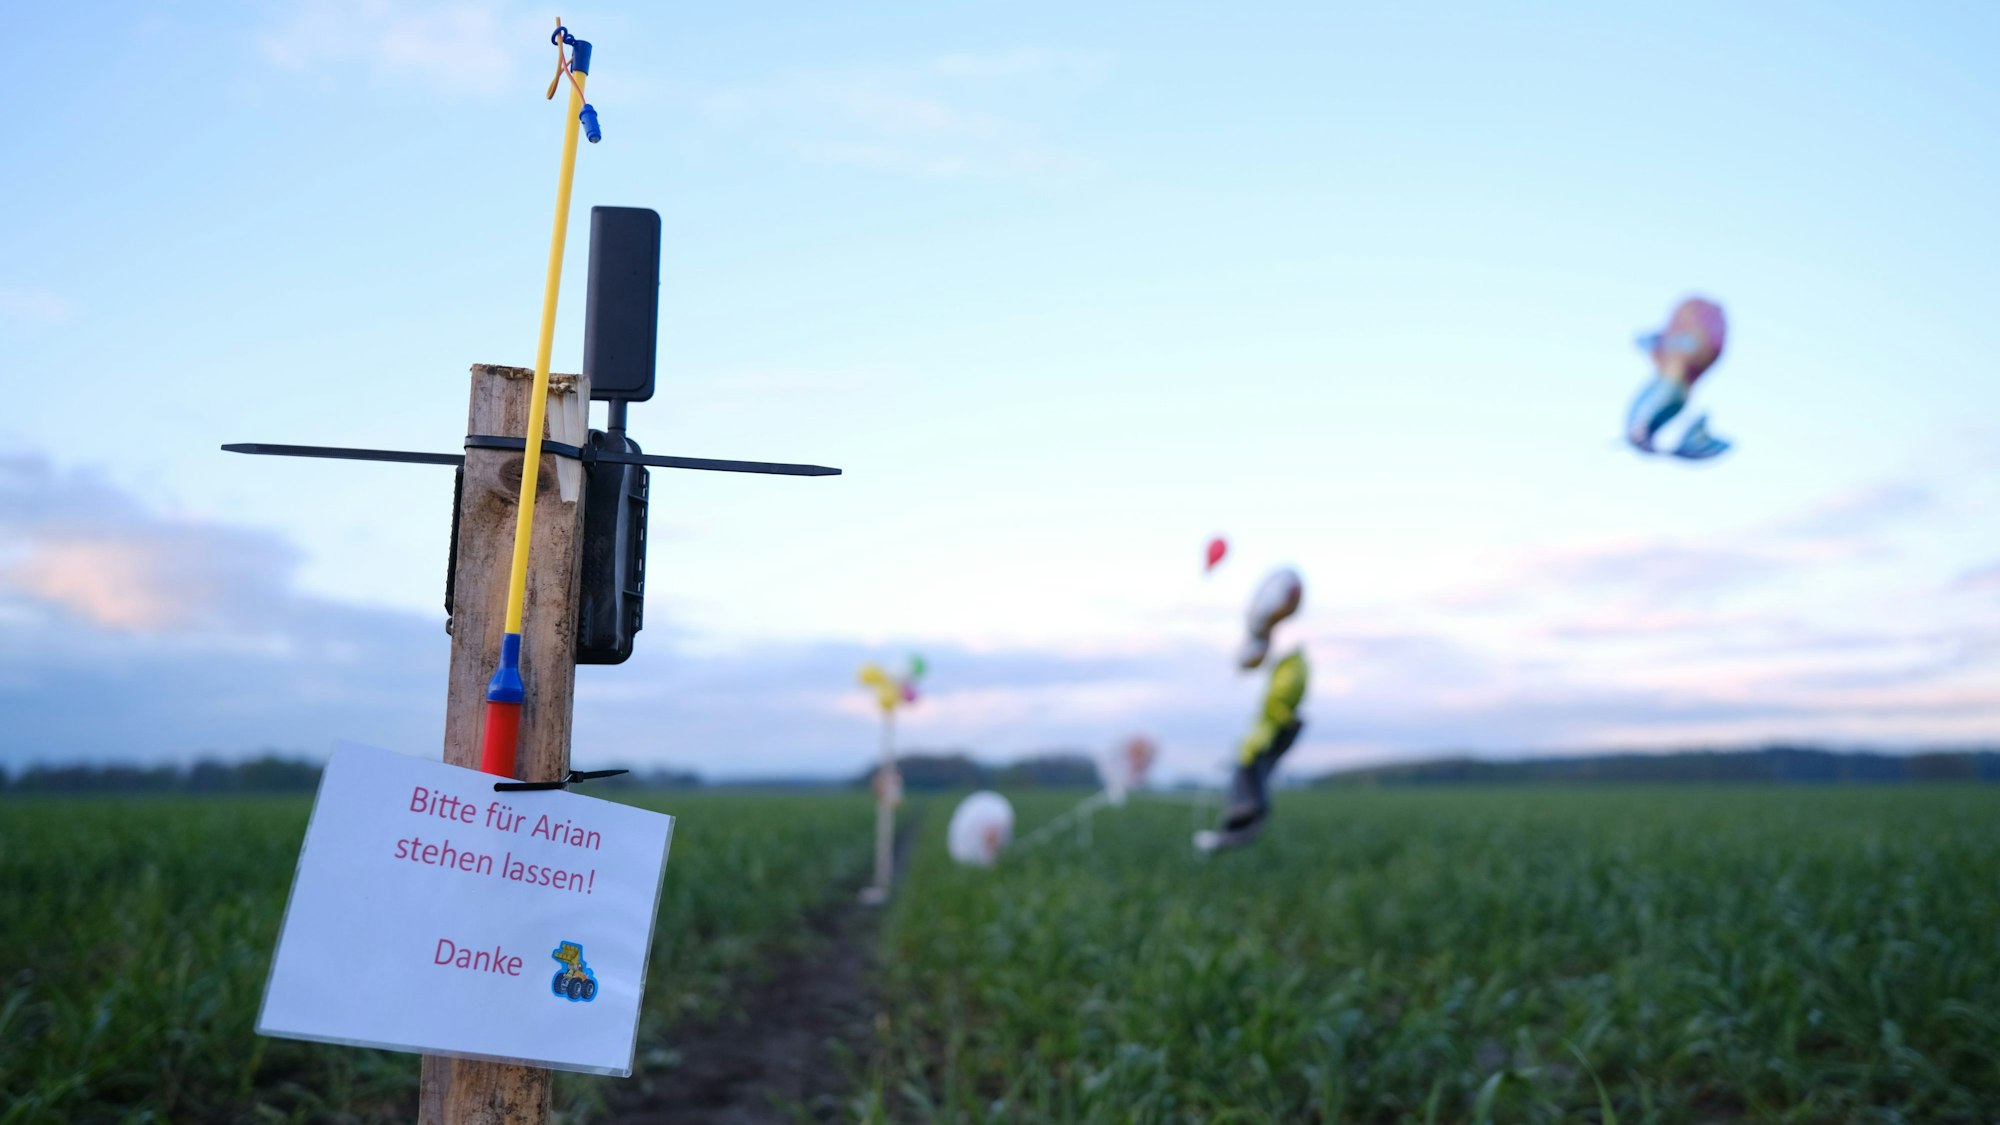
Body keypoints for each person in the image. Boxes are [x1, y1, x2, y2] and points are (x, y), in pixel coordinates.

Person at [1199, 567, 1310, 851]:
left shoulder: (1291, 664)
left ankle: (1236, 829)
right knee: (1247, 774)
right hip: (1279, 725)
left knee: (1249, 779)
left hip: (1278, 725)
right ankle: (1234, 828)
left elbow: (1276, 697)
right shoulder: (1290, 662)